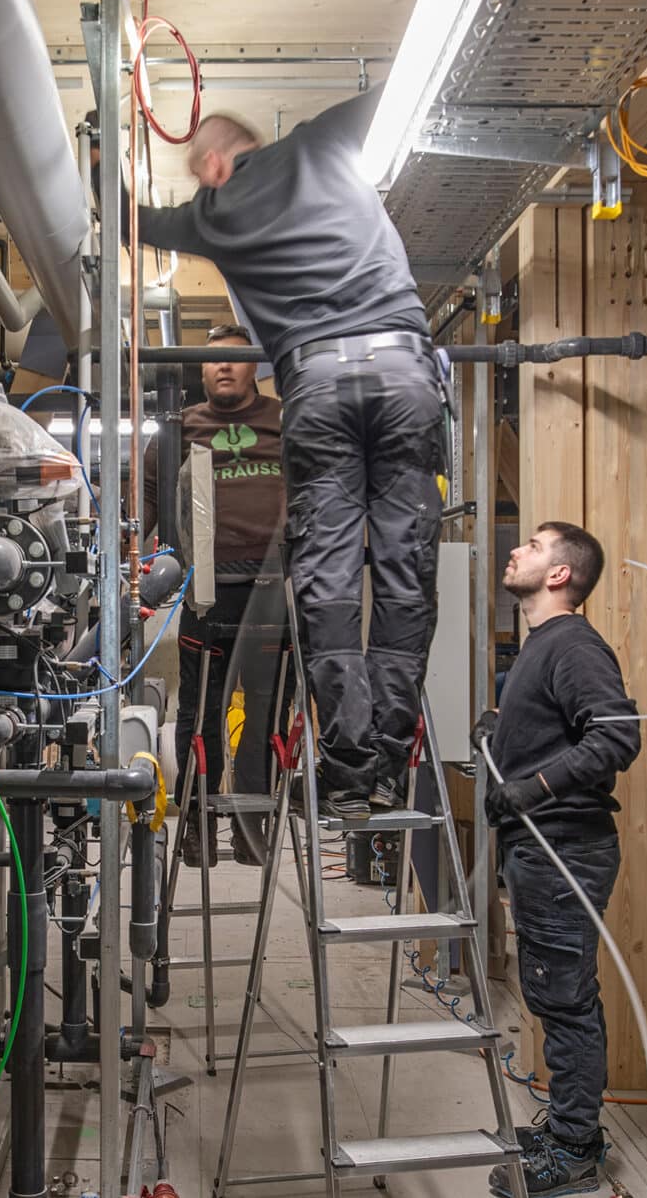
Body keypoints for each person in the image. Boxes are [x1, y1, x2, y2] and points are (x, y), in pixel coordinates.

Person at [131, 91, 446, 819]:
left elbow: (130, 219)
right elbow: (401, 86)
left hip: (319, 383)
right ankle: (393, 765)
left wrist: (94, 167)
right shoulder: (323, 139)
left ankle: (348, 772)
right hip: (404, 368)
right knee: (404, 576)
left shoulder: (211, 214)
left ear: (211, 163)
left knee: (330, 581)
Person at [480, 522, 642, 1197]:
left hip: (563, 847)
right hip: (542, 848)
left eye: (536, 546)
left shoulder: (572, 643)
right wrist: (505, 736)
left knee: (567, 999)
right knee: (552, 990)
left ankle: (575, 1147)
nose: (518, 550)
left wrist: (532, 788)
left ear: (559, 576)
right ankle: (567, 1127)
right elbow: (560, 732)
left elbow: (616, 736)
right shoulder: (541, 645)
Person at [144, 323, 289, 867]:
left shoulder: (284, 423)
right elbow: (147, 506)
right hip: (205, 591)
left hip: (274, 588)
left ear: (256, 367)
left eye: (236, 359)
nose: (224, 367)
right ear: (200, 370)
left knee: (266, 713)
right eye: (213, 361)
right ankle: (198, 826)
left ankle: (253, 827)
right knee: (199, 715)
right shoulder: (179, 431)